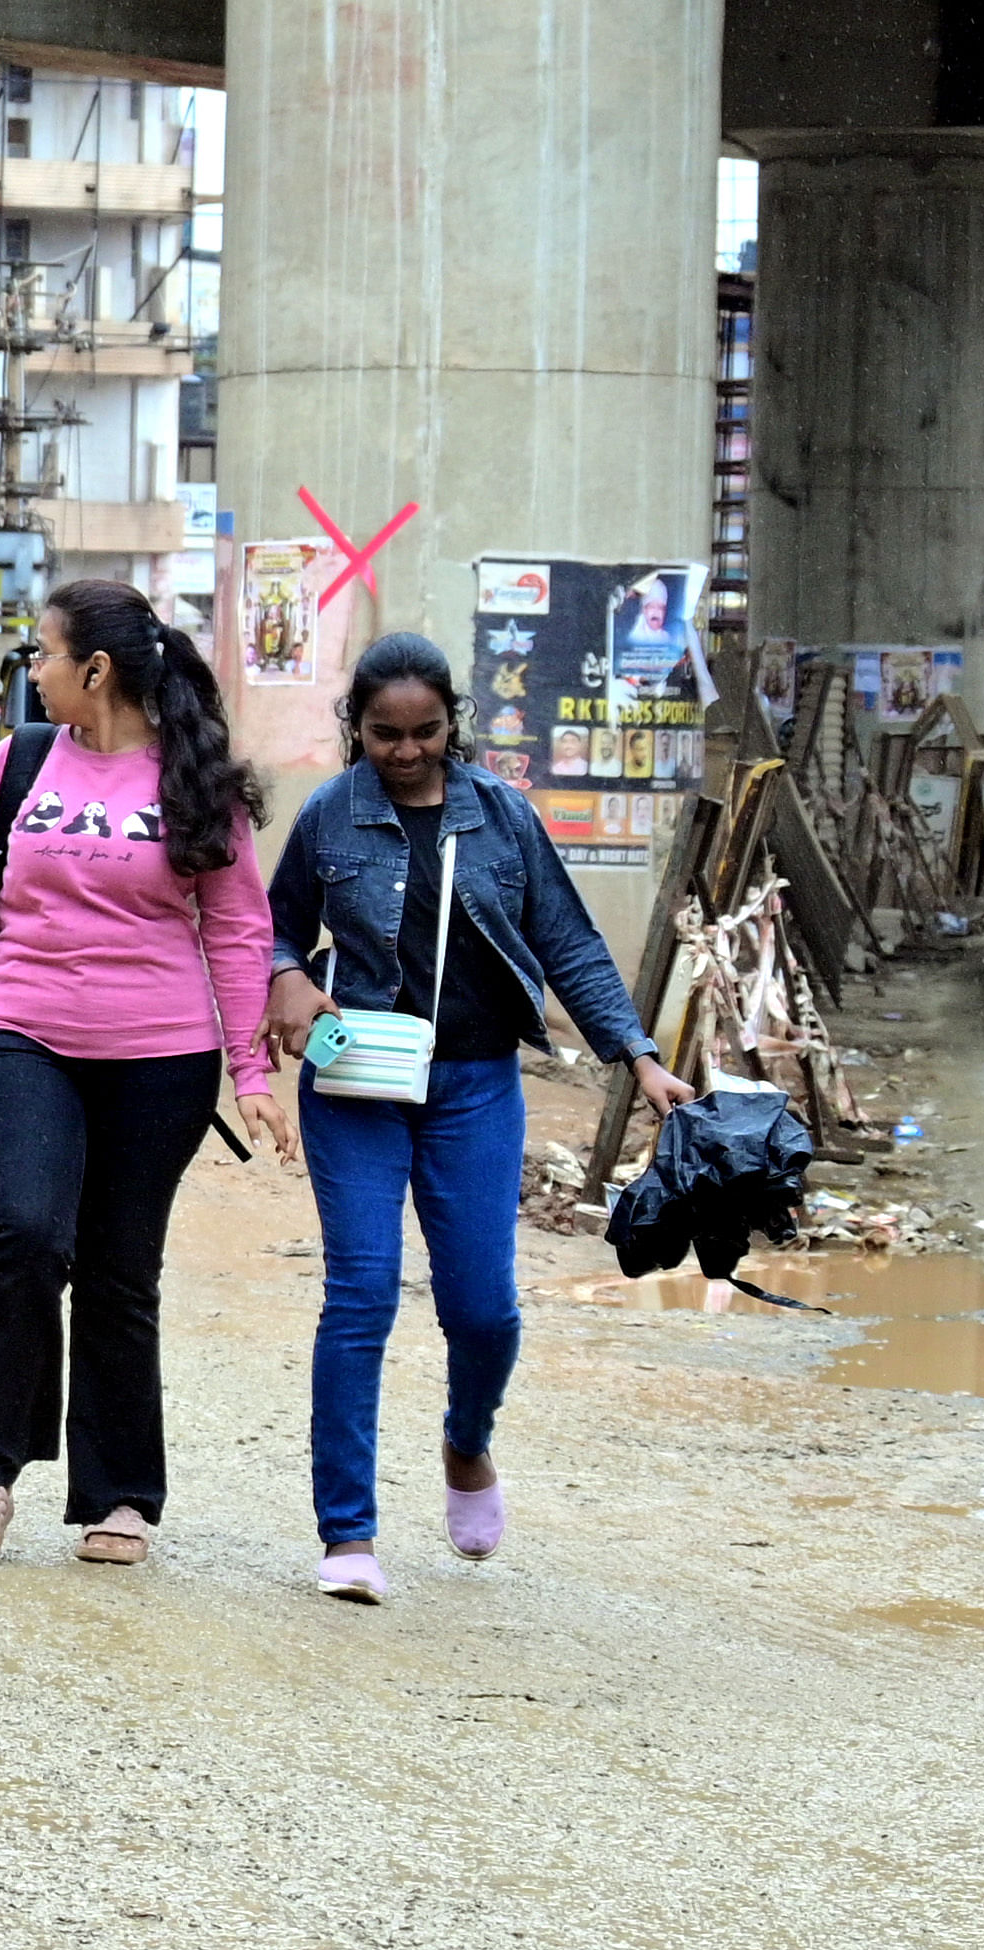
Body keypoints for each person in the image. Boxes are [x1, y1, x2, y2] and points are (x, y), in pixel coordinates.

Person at [265, 631, 697, 1603]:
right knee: (362, 1294)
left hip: (473, 1088)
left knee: (483, 1309)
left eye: (425, 732)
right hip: (358, 1084)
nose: (407, 750)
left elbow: (571, 944)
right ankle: (347, 1534)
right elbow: (275, 926)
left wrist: (641, 1057)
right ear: (357, 730)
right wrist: (287, 977)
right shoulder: (332, 818)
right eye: (385, 735)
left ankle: (468, 1445)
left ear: (453, 723)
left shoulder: (502, 818)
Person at [0, 576, 289, 1567]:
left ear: (97, 668)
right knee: (26, 1232)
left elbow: (241, 929)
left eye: (44, 653)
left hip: (160, 1056)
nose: (33, 671)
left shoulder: (193, 777)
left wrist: (248, 1069)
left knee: (120, 1274)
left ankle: (119, 1495)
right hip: (18, 1030)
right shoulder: (23, 760)